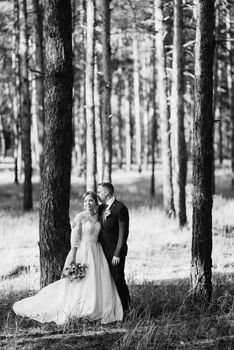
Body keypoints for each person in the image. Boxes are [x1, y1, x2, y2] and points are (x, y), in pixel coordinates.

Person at [13, 192, 123, 325]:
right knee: (81, 281)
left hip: (97, 251)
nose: (88, 203)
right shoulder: (80, 218)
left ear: (96, 202)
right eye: (85, 201)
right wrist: (73, 255)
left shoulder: (99, 217)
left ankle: (98, 308)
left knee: (99, 279)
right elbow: (75, 239)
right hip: (84, 250)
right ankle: (82, 308)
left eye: (91, 201)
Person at [97, 182, 130, 313]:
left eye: (99, 191)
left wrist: (117, 253)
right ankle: (112, 308)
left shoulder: (120, 208)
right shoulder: (101, 208)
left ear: (106, 192)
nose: (97, 194)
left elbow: (123, 233)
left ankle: (126, 308)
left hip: (115, 252)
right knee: (107, 280)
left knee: (118, 279)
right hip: (101, 251)